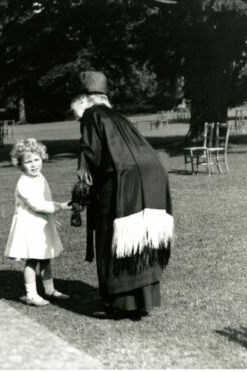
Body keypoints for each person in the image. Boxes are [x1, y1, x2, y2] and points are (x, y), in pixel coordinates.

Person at [71, 71, 174, 319]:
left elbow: (92, 156)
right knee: (140, 238)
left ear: (85, 99)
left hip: (121, 181)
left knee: (112, 236)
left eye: (73, 107)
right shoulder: (117, 116)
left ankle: (118, 304)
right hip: (152, 179)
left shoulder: (91, 115)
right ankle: (141, 301)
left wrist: (81, 194)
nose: (74, 114)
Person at [4, 138, 72, 306]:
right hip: (29, 225)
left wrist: (52, 219)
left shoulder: (40, 176)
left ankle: (49, 290)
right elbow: (37, 205)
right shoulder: (24, 182)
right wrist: (61, 206)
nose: (34, 165)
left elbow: (46, 198)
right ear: (20, 164)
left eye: (37, 160)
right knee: (32, 260)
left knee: (45, 258)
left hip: (42, 223)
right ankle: (31, 294)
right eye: (28, 161)